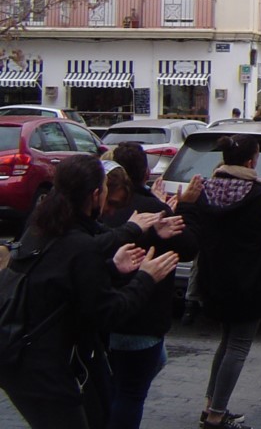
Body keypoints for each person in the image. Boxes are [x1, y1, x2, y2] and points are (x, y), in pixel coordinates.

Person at [0, 155, 179, 429]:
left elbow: (63, 282)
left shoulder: (41, 225)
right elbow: (108, 312)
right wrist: (146, 278)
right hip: (42, 364)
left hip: (21, 355)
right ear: (96, 195)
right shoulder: (79, 244)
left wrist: (113, 267)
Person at [177, 135, 261, 429]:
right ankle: (217, 413)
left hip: (215, 276)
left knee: (226, 342)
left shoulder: (206, 189)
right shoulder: (257, 194)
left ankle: (211, 404)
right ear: (250, 161)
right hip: (251, 279)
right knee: (238, 345)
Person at [103, 142, 200, 429]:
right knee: (129, 392)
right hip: (141, 315)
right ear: (145, 173)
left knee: (121, 382)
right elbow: (189, 247)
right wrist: (185, 209)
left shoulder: (98, 208)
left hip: (105, 312)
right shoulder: (151, 209)